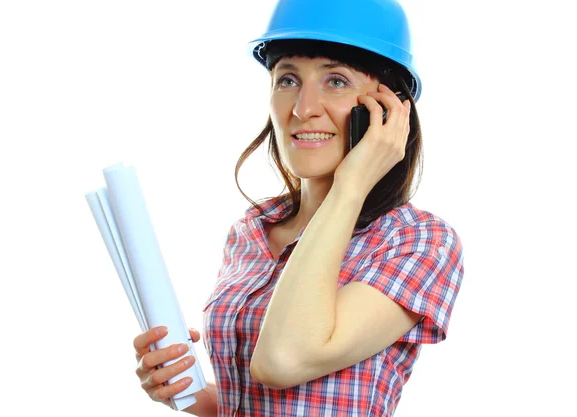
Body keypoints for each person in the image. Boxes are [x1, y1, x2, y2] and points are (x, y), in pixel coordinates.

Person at [133, 0, 464, 415]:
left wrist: (352, 185)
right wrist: (190, 393)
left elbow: (284, 360)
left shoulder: (417, 242)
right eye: (287, 79)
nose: (302, 109)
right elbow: (262, 400)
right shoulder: (251, 230)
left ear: (391, 111)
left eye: (336, 81)